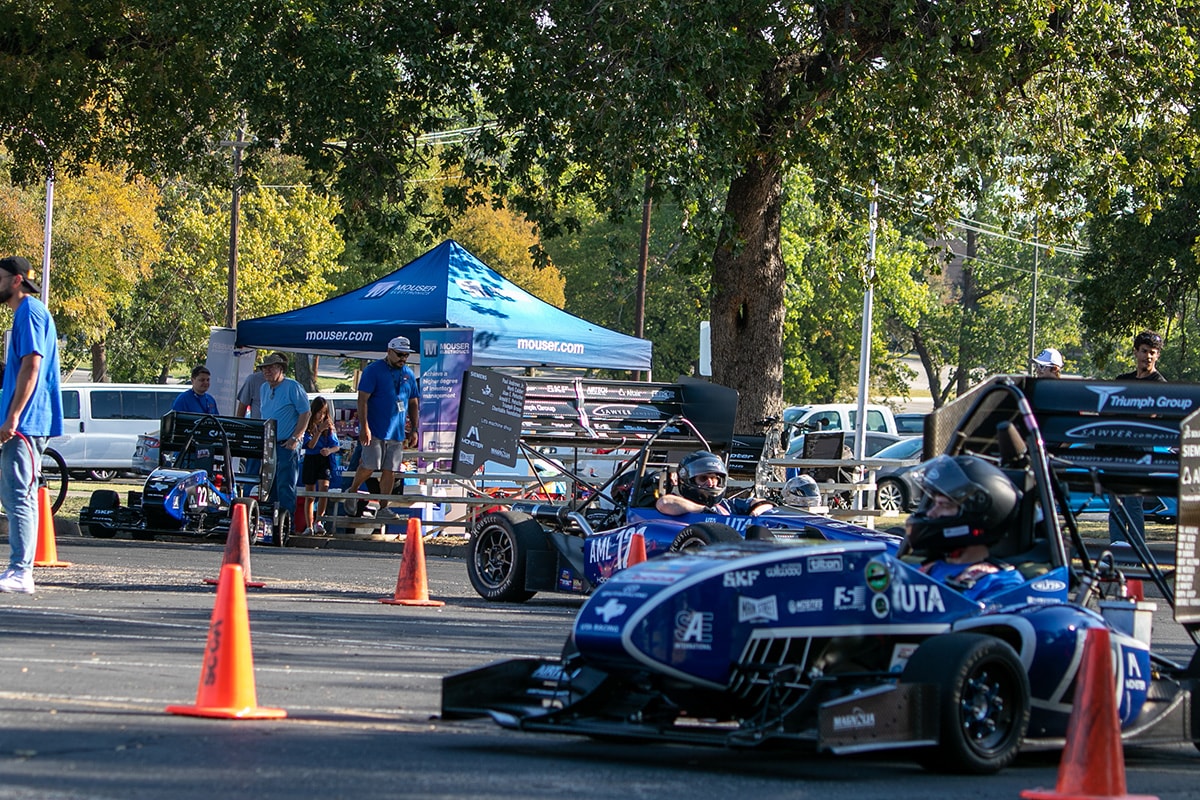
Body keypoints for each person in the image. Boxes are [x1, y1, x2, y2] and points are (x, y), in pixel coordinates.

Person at [0, 256, 63, 594]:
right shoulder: (25, 313)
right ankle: (18, 568)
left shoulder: (30, 311)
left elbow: (32, 366)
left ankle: (21, 571)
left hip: (27, 421)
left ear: (16, 280)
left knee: (18, 492)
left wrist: (13, 416)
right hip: (24, 420)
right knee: (12, 492)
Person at [903, 454, 1025, 602]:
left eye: (944, 505)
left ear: (976, 515)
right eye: (934, 504)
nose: (931, 513)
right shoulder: (925, 570)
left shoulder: (1001, 584)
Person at [346, 336, 420, 519]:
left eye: (406, 355)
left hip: (397, 431)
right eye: (400, 354)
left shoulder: (408, 374)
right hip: (375, 428)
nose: (403, 358)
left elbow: (413, 402)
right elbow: (362, 399)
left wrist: (415, 428)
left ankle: (383, 507)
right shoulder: (373, 370)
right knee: (371, 464)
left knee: (391, 469)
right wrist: (364, 427)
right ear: (389, 351)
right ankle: (352, 490)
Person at [1109, 330, 1167, 544]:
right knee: (1115, 502)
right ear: (1136, 352)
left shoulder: (1160, 383)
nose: (1148, 356)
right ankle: (1116, 548)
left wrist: (1124, 410)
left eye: (1153, 352)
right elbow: (1108, 412)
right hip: (1116, 450)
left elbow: (1146, 416)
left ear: (1158, 355)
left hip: (1140, 453)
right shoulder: (1122, 380)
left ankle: (1136, 552)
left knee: (1133, 503)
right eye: (1144, 351)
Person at [258, 352, 311, 533]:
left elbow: (306, 413)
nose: (267, 371)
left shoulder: (293, 387)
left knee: (285, 486)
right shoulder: (264, 388)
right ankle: (268, 527)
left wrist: (295, 438)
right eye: (265, 368)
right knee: (268, 486)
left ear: (281, 369)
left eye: (271, 368)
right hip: (269, 443)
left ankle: (286, 527)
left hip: (286, 444)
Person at [655, 450, 774, 516]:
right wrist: (706, 511)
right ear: (688, 480)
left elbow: (766, 504)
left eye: (714, 478)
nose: (710, 483)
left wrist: (755, 512)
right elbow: (664, 503)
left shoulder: (727, 505)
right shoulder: (679, 504)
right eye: (703, 478)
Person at [300, 396, 340, 535]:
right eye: (318, 412)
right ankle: (309, 525)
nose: (321, 416)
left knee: (324, 489)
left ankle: (319, 521)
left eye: (323, 413)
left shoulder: (329, 428)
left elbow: (336, 446)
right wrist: (318, 431)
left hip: (324, 459)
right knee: (310, 493)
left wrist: (329, 450)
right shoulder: (308, 426)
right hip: (311, 458)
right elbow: (310, 445)